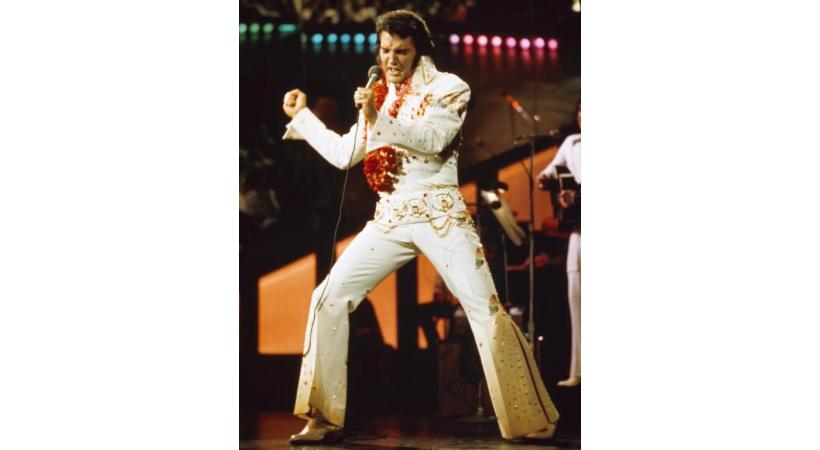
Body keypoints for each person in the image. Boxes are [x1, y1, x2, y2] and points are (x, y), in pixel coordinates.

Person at [281, 10, 559, 444]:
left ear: (419, 51)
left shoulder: (450, 88)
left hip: (439, 215)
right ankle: (322, 416)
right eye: (385, 51)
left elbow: (432, 141)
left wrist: (376, 116)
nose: (391, 60)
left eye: (401, 51)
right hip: (389, 218)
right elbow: (343, 154)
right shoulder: (379, 93)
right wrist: (303, 118)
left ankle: (530, 418)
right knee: (327, 298)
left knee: (485, 309)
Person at [538, 101, 582, 387]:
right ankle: (578, 372)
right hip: (579, 230)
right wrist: (546, 179)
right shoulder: (572, 143)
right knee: (576, 297)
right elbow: (552, 171)